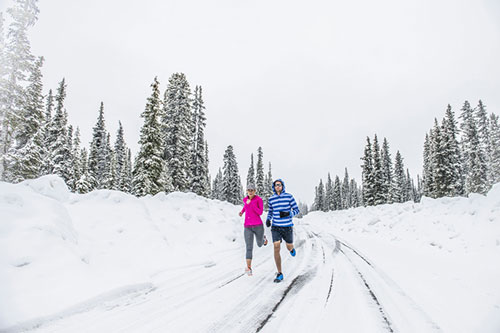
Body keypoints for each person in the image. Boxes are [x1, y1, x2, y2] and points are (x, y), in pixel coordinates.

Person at [266, 178, 300, 283]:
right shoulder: (271, 199)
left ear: (283, 186)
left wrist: (289, 214)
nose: (278, 186)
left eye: (279, 185)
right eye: (276, 185)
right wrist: (268, 219)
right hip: (276, 227)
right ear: (274, 187)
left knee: (289, 246)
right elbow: (270, 211)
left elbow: (296, 210)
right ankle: (280, 273)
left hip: (287, 227)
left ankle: (291, 249)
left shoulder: (289, 197)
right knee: (276, 247)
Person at [239, 183, 268, 276]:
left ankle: (263, 239)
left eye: (252, 190)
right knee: (249, 247)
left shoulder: (258, 200)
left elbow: (260, 212)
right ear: (247, 191)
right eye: (249, 190)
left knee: (259, 244)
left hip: (258, 226)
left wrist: (251, 203)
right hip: (247, 227)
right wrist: (242, 212)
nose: (250, 192)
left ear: (255, 191)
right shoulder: (246, 200)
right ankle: (249, 268)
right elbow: (245, 207)